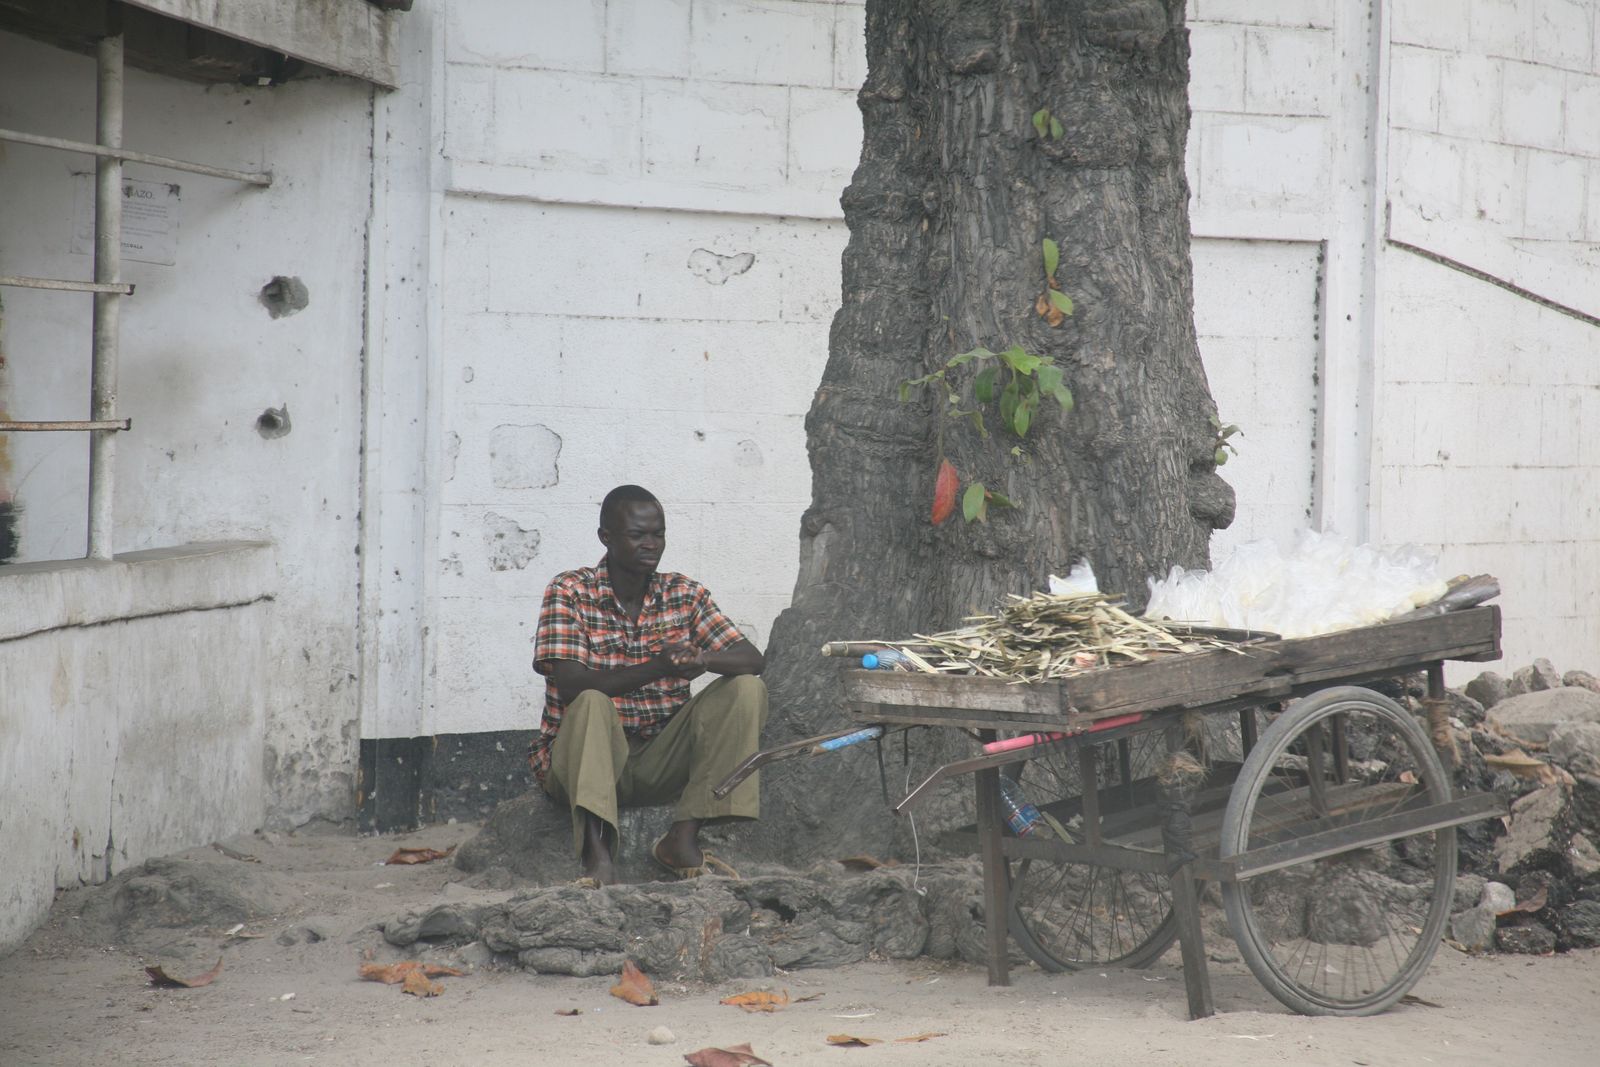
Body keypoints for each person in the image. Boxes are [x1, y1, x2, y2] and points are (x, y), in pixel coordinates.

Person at [529, 485, 768, 886]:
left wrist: (702, 659)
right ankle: (598, 857)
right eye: (638, 535)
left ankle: (682, 839)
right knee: (590, 702)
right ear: (606, 537)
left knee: (746, 689)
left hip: (660, 757)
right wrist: (659, 666)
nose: (651, 544)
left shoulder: (683, 593)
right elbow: (571, 685)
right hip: (584, 761)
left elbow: (753, 659)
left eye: (658, 534)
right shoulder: (569, 591)